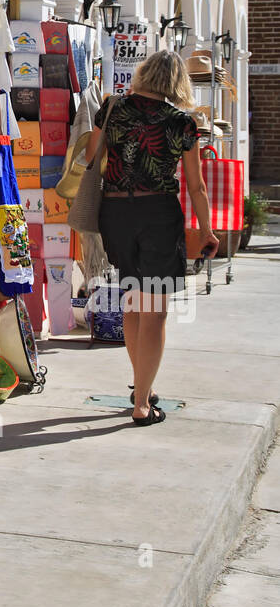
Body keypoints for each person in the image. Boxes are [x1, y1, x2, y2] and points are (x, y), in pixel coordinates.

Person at [85, 51, 219, 426]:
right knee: (154, 311)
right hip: (158, 216)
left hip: (115, 215)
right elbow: (196, 186)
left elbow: (92, 154)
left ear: (143, 74)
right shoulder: (182, 123)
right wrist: (206, 230)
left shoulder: (112, 107)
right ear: (178, 82)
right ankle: (142, 404)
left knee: (132, 302)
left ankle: (141, 383)